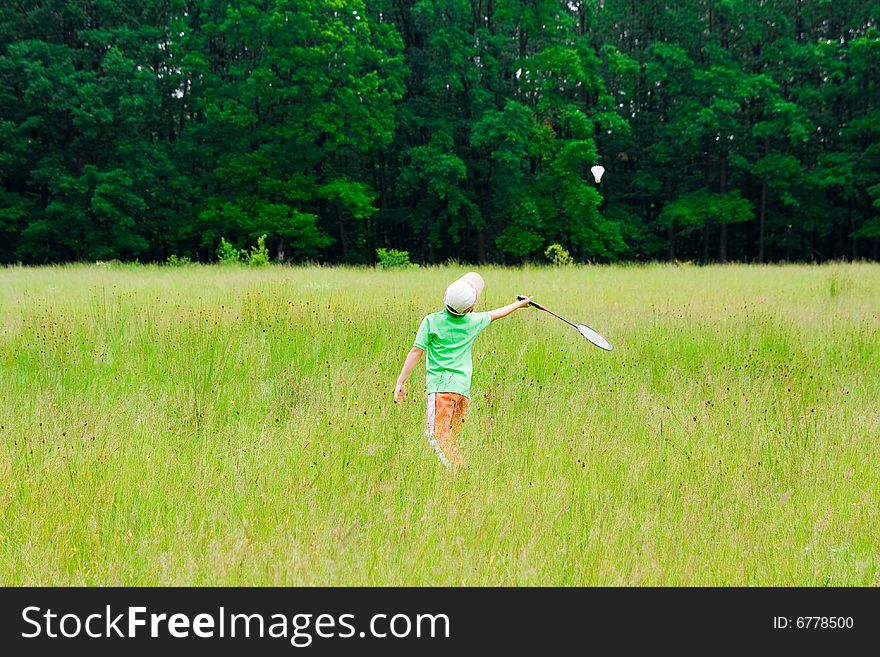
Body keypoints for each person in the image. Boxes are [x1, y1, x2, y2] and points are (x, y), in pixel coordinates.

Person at [393, 272, 531, 468]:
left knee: (435, 436)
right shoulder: (473, 322)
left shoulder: (431, 321)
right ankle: (454, 472)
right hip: (462, 392)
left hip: (441, 390)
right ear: (470, 308)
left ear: (445, 297)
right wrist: (519, 304)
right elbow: (497, 313)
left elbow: (416, 351)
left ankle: (459, 472)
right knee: (449, 438)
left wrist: (401, 381)